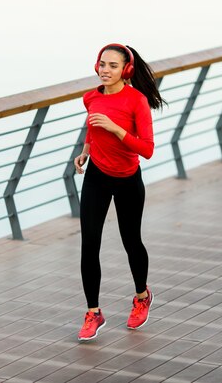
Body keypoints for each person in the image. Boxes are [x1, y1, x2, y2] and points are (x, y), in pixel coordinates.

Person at [74, 43, 165, 341]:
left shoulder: (136, 101)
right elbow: (92, 127)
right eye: (102, 64)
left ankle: (141, 296)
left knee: (131, 242)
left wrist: (116, 129)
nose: (105, 70)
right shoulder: (91, 97)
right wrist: (85, 151)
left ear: (126, 70)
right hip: (97, 176)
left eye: (112, 65)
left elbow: (147, 149)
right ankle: (93, 312)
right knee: (89, 244)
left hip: (127, 178)